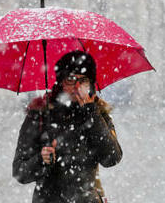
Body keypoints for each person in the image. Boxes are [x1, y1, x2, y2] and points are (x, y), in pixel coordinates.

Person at [12, 50, 123, 203]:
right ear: (61, 82)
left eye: (83, 80)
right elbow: (20, 172)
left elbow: (111, 158)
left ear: (90, 84)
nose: (77, 86)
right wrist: (41, 160)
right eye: (71, 79)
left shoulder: (98, 114)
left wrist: (91, 113)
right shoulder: (40, 115)